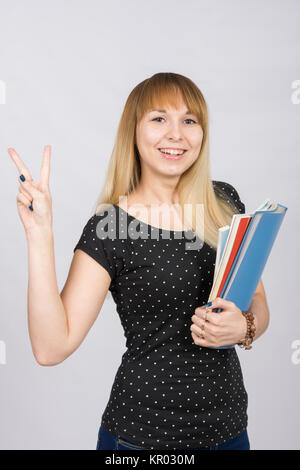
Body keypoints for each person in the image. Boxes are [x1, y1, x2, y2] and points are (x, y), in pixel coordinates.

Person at [8, 72, 270, 451]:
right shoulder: (110, 227)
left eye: (189, 120)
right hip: (139, 440)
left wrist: (244, 328)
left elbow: (258, 302)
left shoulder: (224, 202)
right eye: (159, 118)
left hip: (229, 432)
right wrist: (39, 235)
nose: (176, 134)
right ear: (133, 131)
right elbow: (51, 348)